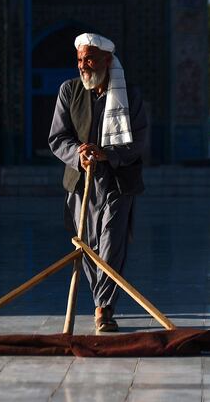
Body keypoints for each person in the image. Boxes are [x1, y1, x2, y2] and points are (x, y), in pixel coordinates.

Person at [48, 33, 147, 332]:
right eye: (79, 60)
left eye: (89, 59)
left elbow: (138, 140)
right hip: (81, 180)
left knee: (111, 243)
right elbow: (57, 138)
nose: (83, 66)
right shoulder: (69, 91)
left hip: (117, 179)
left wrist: (106, 154)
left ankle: (104, 308)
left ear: (107, 60)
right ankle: (99, 300)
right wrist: (79, 152)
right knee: (89, 245)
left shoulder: (129, 93)